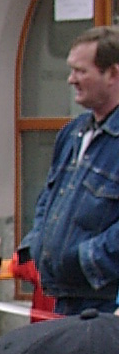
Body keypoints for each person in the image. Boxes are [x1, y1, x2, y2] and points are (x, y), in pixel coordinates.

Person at [16, 24, 119, 314]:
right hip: (65, 295)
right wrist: (37, 244)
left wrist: (85, 259)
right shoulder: (72, 134)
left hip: (105, 299)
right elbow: (48, 198)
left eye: (81, 71)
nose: (71, 79)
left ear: (112, 74)